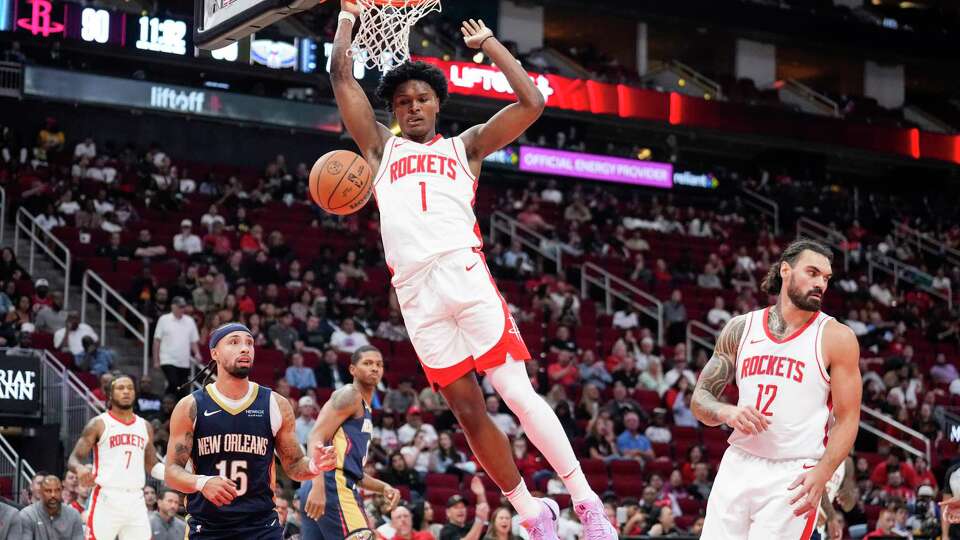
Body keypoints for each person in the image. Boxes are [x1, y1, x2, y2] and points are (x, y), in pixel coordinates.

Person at [330, 4, 615, 538]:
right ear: (392, 111)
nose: (413, 107)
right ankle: (532, 513)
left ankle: (586, 500)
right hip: (415, 294)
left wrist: (491, 47)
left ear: (438, 104)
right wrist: (347, 17)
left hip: (465, 274)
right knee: (466, 411)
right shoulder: (379, 149)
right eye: (402, 102)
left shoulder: (467, 147)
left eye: (421, 99)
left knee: (516, 392)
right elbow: (341, 76)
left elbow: (532, 103)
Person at [692, 239, 862, 539]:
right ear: (785, 270)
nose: (820, 283)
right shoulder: (741, 328)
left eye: (826, 278)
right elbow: (700, 399)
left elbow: (848, 419)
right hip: (738, 462)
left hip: (793, 471)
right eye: (812, 272)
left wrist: (823, 473)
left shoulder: (837, 337)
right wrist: (726, 411)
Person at [163, 322, 337, 539]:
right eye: (234, 342)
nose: (244, 348)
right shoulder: (191, 406)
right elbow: (171, 472)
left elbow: (293, 466)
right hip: (208, 526)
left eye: (249, 343)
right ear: (214, 353)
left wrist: (314, 465)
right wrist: (202, 482)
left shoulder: (276, 404)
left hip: (261, 526)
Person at [300, 345, 401, 539]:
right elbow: (315, 436)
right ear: (352, 369)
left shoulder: (365, 410)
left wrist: (383, 487)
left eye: (379, 364)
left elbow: (354, 473)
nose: (374, 368)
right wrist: (319, 486)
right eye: (368, 363)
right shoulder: (350, 395)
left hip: (323, 483)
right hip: (330, 484)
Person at [67, 372, 164, 539]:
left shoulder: (145, 426)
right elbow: (73, 458)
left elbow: (152, 465)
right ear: (110, 395)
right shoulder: (98, 423)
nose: (126, 391)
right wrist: (80, 468)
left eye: (130, 388)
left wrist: (175, 474)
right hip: (107, 498)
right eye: (120, 388)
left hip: (135, 499)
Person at [153, 296, 201, 397]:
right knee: (173, 382)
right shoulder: (164, 319)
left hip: (184, 361)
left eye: (183, 307)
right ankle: (165, 403)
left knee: (182, 389)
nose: (182, 309)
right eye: (180, 307)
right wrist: (156, 360)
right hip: (167, 359)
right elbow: (157, 341)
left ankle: (171, 407)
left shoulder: (189, 321)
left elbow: (193, 341)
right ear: (173, 307)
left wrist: (197, 353)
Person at [19, 475, 84, 539]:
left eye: (57, 490)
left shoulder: (73, 515)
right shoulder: (27, 515)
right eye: (48, 491)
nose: (53, 495)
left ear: (62, 491)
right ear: (41, 492)